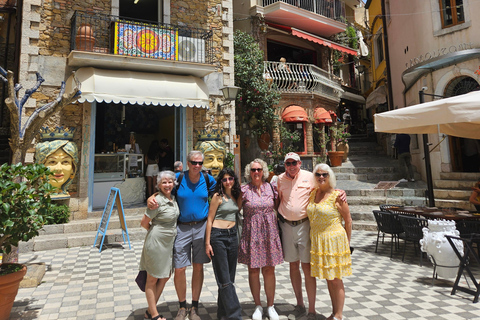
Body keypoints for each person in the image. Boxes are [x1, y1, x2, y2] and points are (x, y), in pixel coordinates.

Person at [277, 152, 346, 319]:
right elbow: (277, 199)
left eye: (294, 163)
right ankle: (299, 304)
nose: (291, 166)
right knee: (293, 265)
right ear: (285, 165)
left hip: (304, 225)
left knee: (307, 267)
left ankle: (312, 309)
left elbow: (325, 187)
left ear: (300, 163)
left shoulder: (310, 177)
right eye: (288, 163)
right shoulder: (279, 180)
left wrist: (339, 191)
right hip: (286, 225)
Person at [147, 150, 215, 320]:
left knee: (198, 266)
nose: (197, 166)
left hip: (201, 226)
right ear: (188, 162)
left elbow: (221, 193)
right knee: (180, 268)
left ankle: (195, 307)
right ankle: (182, 306)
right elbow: (165, 189)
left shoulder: (207, 179)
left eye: (200, 163)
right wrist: (152, 196)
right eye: (194, 162)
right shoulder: (179, 178)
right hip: (182, 228)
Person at [238, 158, 283, 320]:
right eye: (253, 170)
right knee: (253, 270)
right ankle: (258, 305)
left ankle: (270, 306)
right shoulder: (244, 190)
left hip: (269, 233)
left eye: (258, 169)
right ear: (248, 172)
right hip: (251, 234)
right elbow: (234, 207)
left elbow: (278, 207)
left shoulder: (271, 188)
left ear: (263, 171)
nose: (256, 172)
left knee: (269, 269)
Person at [307, 164, 352, 320]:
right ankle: (334, 312)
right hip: (319, 240)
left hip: (334, 241)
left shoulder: (337, 196)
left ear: (330, 176)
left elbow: (348, 220)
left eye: (324, 174)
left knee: (335, 279)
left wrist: (347, 242)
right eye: (318, 174)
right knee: (329, 277)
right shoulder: (313, 193)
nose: (321, 177)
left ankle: (339, 315)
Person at [140, 171, 180, 320]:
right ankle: (155, 315)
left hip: (168, 244)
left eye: (170, 182)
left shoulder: (173, 198)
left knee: (165, 275)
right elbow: (144, 223)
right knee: (152, 279)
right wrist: (155, 232)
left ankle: (150, 311)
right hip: (156, 243)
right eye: (164, 182)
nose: (167, 185)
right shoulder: (156, 201)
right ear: (158, 184)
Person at [205, 168, 243, 320]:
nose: (228, 182)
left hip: (232, 236)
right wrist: (207, 243)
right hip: (218, 237)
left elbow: (238, 211)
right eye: (225, 179)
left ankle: (223, 315)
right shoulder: (217, 196)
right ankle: (234, 315)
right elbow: (209, 219)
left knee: (228, 279)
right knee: (224, 279)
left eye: (231, 178)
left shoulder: (236, 196)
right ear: (221, 182)